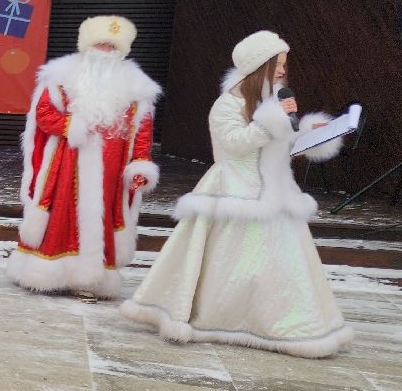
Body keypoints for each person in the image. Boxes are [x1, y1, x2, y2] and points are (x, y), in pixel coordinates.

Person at [122, 31, 352, 357]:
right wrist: (273, 123)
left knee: (285, 265)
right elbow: (232, 143)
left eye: (285, 64)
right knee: (236, 265)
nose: (284, 71)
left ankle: (292, 325)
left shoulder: (273, 102)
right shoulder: (228, 103)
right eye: (278, 64)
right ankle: (225, 319)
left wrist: (308, 132)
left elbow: (278, 145)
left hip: (278, 193)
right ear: (261, 64)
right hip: (236, 192)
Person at [7, 15, 161, 300]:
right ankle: (42, 273)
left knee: (100, 219)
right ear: (86, 46)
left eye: (112, 47)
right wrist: (72, 126)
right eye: (100, 44)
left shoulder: (138, 88)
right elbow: (44, 115)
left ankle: (90, 280)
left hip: (111, 172)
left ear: (122, 51)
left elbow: (142, 131)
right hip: (66, 165)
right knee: (60, 213)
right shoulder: (61, 77)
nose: (105, 51)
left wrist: (141, 162)